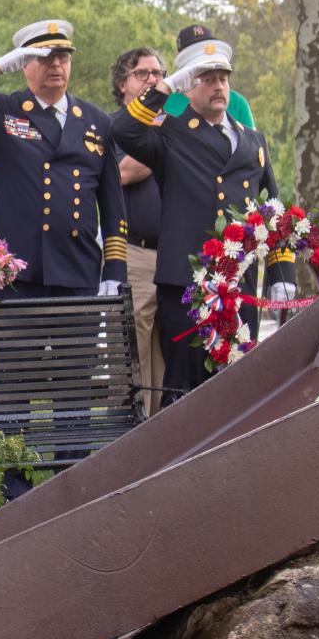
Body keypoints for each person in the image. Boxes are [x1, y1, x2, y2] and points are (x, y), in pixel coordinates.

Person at [113, 25, 295, 403]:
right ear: (190, 86)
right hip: (186, 284)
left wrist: (282, 272)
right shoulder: (171, 133)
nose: (219, 87)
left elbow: (272, 210)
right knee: (183, 389)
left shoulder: (252, 140)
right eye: (207, 79)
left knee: (239, 385)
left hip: (239, 283)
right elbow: (124, 129)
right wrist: (165, 87)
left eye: (223, 78)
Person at [0, 19, 127, 298]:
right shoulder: (3, 110)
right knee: (18, 343)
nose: (56, 64)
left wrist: (115, 271)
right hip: (17, 270)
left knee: (76, 344)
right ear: (24, 64)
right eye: (44, 57)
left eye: (63, 56)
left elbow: (112, 208)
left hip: (77, 266)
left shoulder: (97, 120)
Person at [109, 47, 167, 415]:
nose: (152, 80)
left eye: (158, 74)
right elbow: (122, 173)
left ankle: (163, 436)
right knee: (133, 350)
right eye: (142, 74)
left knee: (168, 354)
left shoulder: (177, 125)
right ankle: (132, 436)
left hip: (179, 257)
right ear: (122, 84)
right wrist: (157, 139)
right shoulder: (113, 128)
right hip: (136, 255)